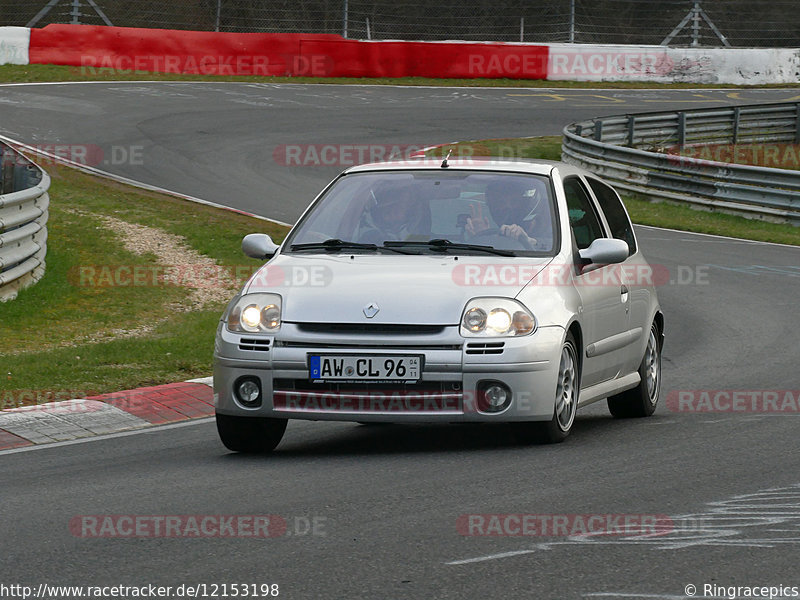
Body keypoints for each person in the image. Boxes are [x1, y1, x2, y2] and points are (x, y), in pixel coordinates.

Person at [465, 177, 546, 249]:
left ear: (524, 202)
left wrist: (530, 241)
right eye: (497, 203)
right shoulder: (496, 229)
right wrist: (483, 236)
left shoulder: (553, 221)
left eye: (513, 201)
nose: (503, 208)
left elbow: (550, 246)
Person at [356, 183, 425, 244]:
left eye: (398, 207)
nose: (392, 212)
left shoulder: (427, 242)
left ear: (410, 211)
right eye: (387, 209)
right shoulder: (369, 240)